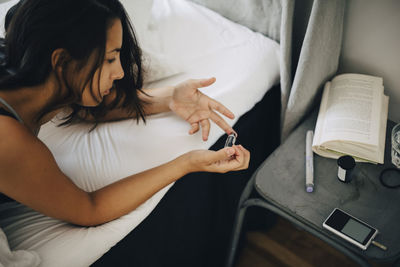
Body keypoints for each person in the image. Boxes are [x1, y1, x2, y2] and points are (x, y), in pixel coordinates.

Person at [0, 0, 249, 236]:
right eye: (109, 58)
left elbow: (90, 106)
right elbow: (89, 209)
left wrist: (171, 98)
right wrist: (187, 163)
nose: (119, 72)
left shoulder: (26, 64)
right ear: (62, 61)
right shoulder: (7, 137)